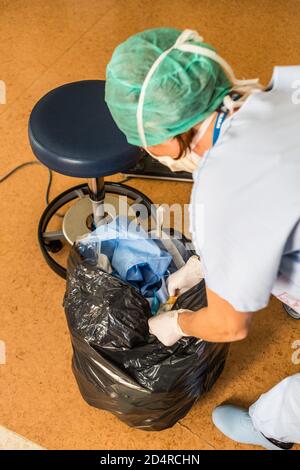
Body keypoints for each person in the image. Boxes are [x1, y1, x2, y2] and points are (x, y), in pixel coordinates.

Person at [105, 28, 300, 449]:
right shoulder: (288, 91)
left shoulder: (222, 193)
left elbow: (229, 325)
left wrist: (178, 323)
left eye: (144, 143)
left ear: (164, 141)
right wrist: (208, 265)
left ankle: (270, 429)